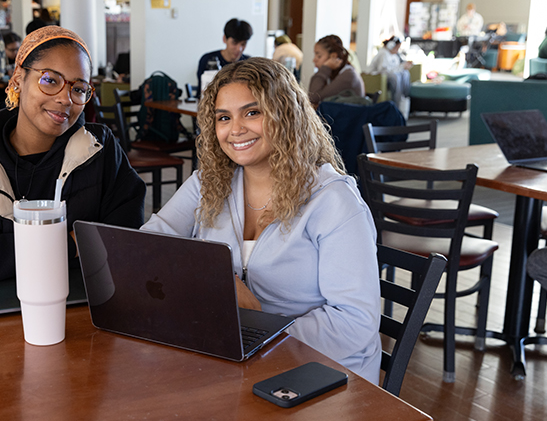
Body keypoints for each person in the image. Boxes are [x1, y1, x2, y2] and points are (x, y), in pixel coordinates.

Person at [141, 57, 382, 384]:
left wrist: (259, 326)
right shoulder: (208, 182)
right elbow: (146, 246)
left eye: (252, 113)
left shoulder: (332, 200)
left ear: (286, 115)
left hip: (322, 373)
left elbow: (354, 324)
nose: (235, 129)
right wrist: (213, 282)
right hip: (235, 359)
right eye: (224, 117)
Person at [0, 25, 146, 291]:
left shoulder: (99, 150)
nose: (65, 99)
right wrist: (69, 244)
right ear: (19, 78)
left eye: (78, 88)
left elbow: (124, 232)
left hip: (81, 311)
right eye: (50, 80)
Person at [196, 18, 252, 94]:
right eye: (234, 43)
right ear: (224, 39)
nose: (239, 49)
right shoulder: (208, 60)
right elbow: (202, 91)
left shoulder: (248, 63)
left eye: (243, 44)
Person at [308, 35, 364, 106]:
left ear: (333, 56)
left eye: (319, 56)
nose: (314, 60)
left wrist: (325, 68)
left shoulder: (348, 75)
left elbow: (314, 97)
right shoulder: (336, 73)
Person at [366, 36, 412, 109]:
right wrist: (401, 67)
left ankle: (404, 98)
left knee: (405, 73)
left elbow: (395, 68)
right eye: (397, 47)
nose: (397, 50)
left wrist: (404, 66)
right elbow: (383, 70)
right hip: (376, 77)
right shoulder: (383, 54)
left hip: (387, 75)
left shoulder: (394, 55)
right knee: (396, 77)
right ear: (391, 45)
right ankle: (396, 104)